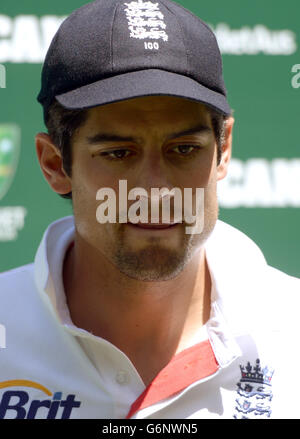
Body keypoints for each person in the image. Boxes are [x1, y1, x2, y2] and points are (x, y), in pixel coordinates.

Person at [0, 0, 299, 420]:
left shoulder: (292, 331)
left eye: (183, 149)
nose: (155, 190)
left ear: (224, 149)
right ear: (55, 164)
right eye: (119, 153)